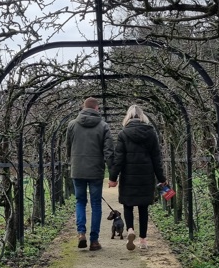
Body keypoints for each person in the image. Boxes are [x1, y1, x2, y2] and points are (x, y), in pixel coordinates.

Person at [108, 105, 167, 251]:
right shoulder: (151, 133)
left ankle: (130, 230)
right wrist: (161, 178)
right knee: (143, 209)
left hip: (128, 176)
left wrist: (113, 178)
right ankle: (143, 241)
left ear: (128, 117)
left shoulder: (123, 134)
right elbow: (156, 158)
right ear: (142, 116)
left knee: (128, 206)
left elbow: (119, 159)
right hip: (146, 176)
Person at [66, 97, 114, 251]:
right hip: (95, 171)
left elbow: (68, 146)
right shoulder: (103, 126)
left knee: (80, 201)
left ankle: (81, 233)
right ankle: (94, 240)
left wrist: (72, 161)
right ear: (97, 109)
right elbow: (108, 151)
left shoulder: (72, 125)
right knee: (96, 205)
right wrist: (112, 173)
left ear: (83, 107)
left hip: (77, 169)